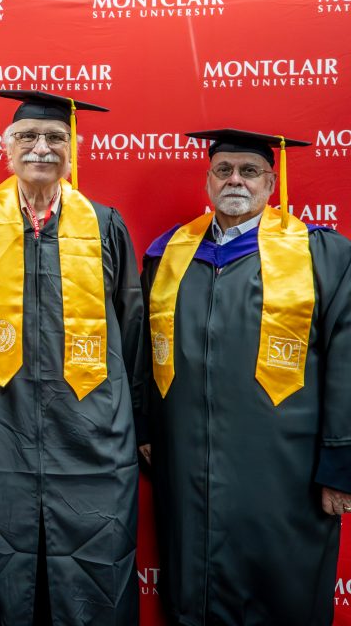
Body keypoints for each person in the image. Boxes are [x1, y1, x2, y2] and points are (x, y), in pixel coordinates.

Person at [141, 128, 351, 626]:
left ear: (270, 183)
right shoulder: (170, 255)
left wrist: (339, 464)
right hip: (188, 464)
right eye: (224, 170)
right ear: (208, 181)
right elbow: (144, 351)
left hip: (285, 470)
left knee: (281, 590)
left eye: (249, 171)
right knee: (195, 588)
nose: (235, 180)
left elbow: (346, 361)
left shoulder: (322, 255)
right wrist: (147, 427)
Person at [0, 90, 143, 626]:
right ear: (7, 149)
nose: (42, 148)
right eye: (28, 137)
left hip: (92, 429)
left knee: (93, 574)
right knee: (6, 573)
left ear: (71, 150)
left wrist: (138, 420)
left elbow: (131, 327)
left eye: (56, 137)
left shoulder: (103, 223)